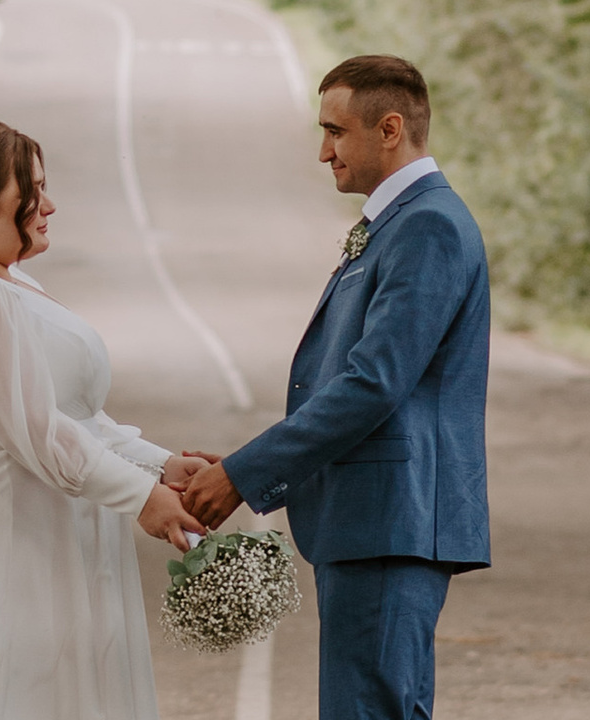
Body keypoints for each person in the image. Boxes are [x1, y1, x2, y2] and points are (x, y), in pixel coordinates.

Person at [0, 116, 209, 720]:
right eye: (32, 189)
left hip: (35, 515)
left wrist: (158, 462)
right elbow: (34, 431)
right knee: (15, 691)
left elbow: (68, 412)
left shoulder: (3, 282)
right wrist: (141, 497)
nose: (48, 204)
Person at [179, 55, 490, 720]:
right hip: (374, 520)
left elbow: (373, 383)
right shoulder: (397, 222)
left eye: (336, 131)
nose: (323, 152)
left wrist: (245, 473)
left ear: (390, 129)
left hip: (391, 518)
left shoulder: (426, 224)